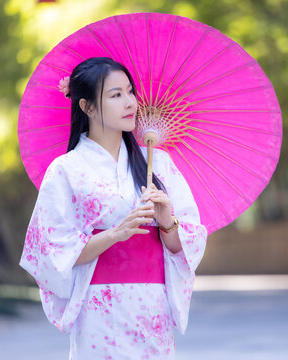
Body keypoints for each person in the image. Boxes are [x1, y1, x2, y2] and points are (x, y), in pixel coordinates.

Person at [19, 57, 207, 359]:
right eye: (116, 95)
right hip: (99, 309)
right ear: (88, 107)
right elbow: (55, 254)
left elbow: (184, 247)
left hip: (150, 306)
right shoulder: (65, 171)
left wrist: (166, 221)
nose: (130, 102)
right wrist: (115, 234)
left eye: (130, 91)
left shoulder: (159, 164)